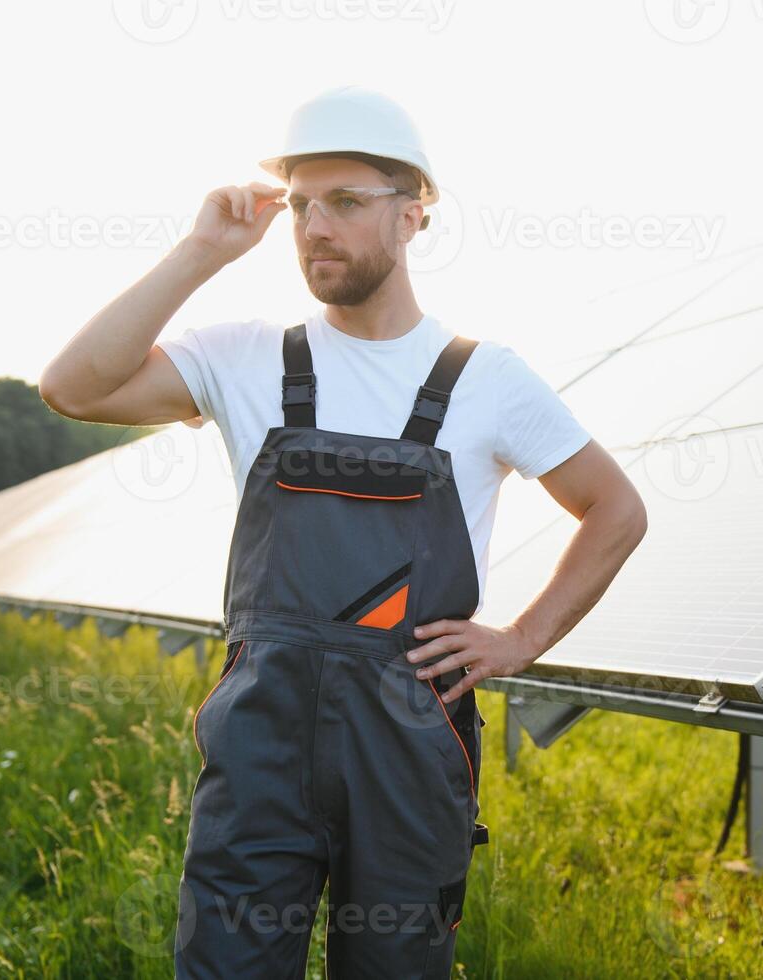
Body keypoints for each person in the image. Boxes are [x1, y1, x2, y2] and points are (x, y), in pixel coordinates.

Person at [38, 84, 647, 978]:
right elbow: (73, 387)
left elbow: (616, 511)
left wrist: (522, 636)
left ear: (414, 216)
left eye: (347, 203)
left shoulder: (486, 379)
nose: (314, 227)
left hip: (408, 747)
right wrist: (202, 250)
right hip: (260, 749)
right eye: (299, 205)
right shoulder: (243, 356)